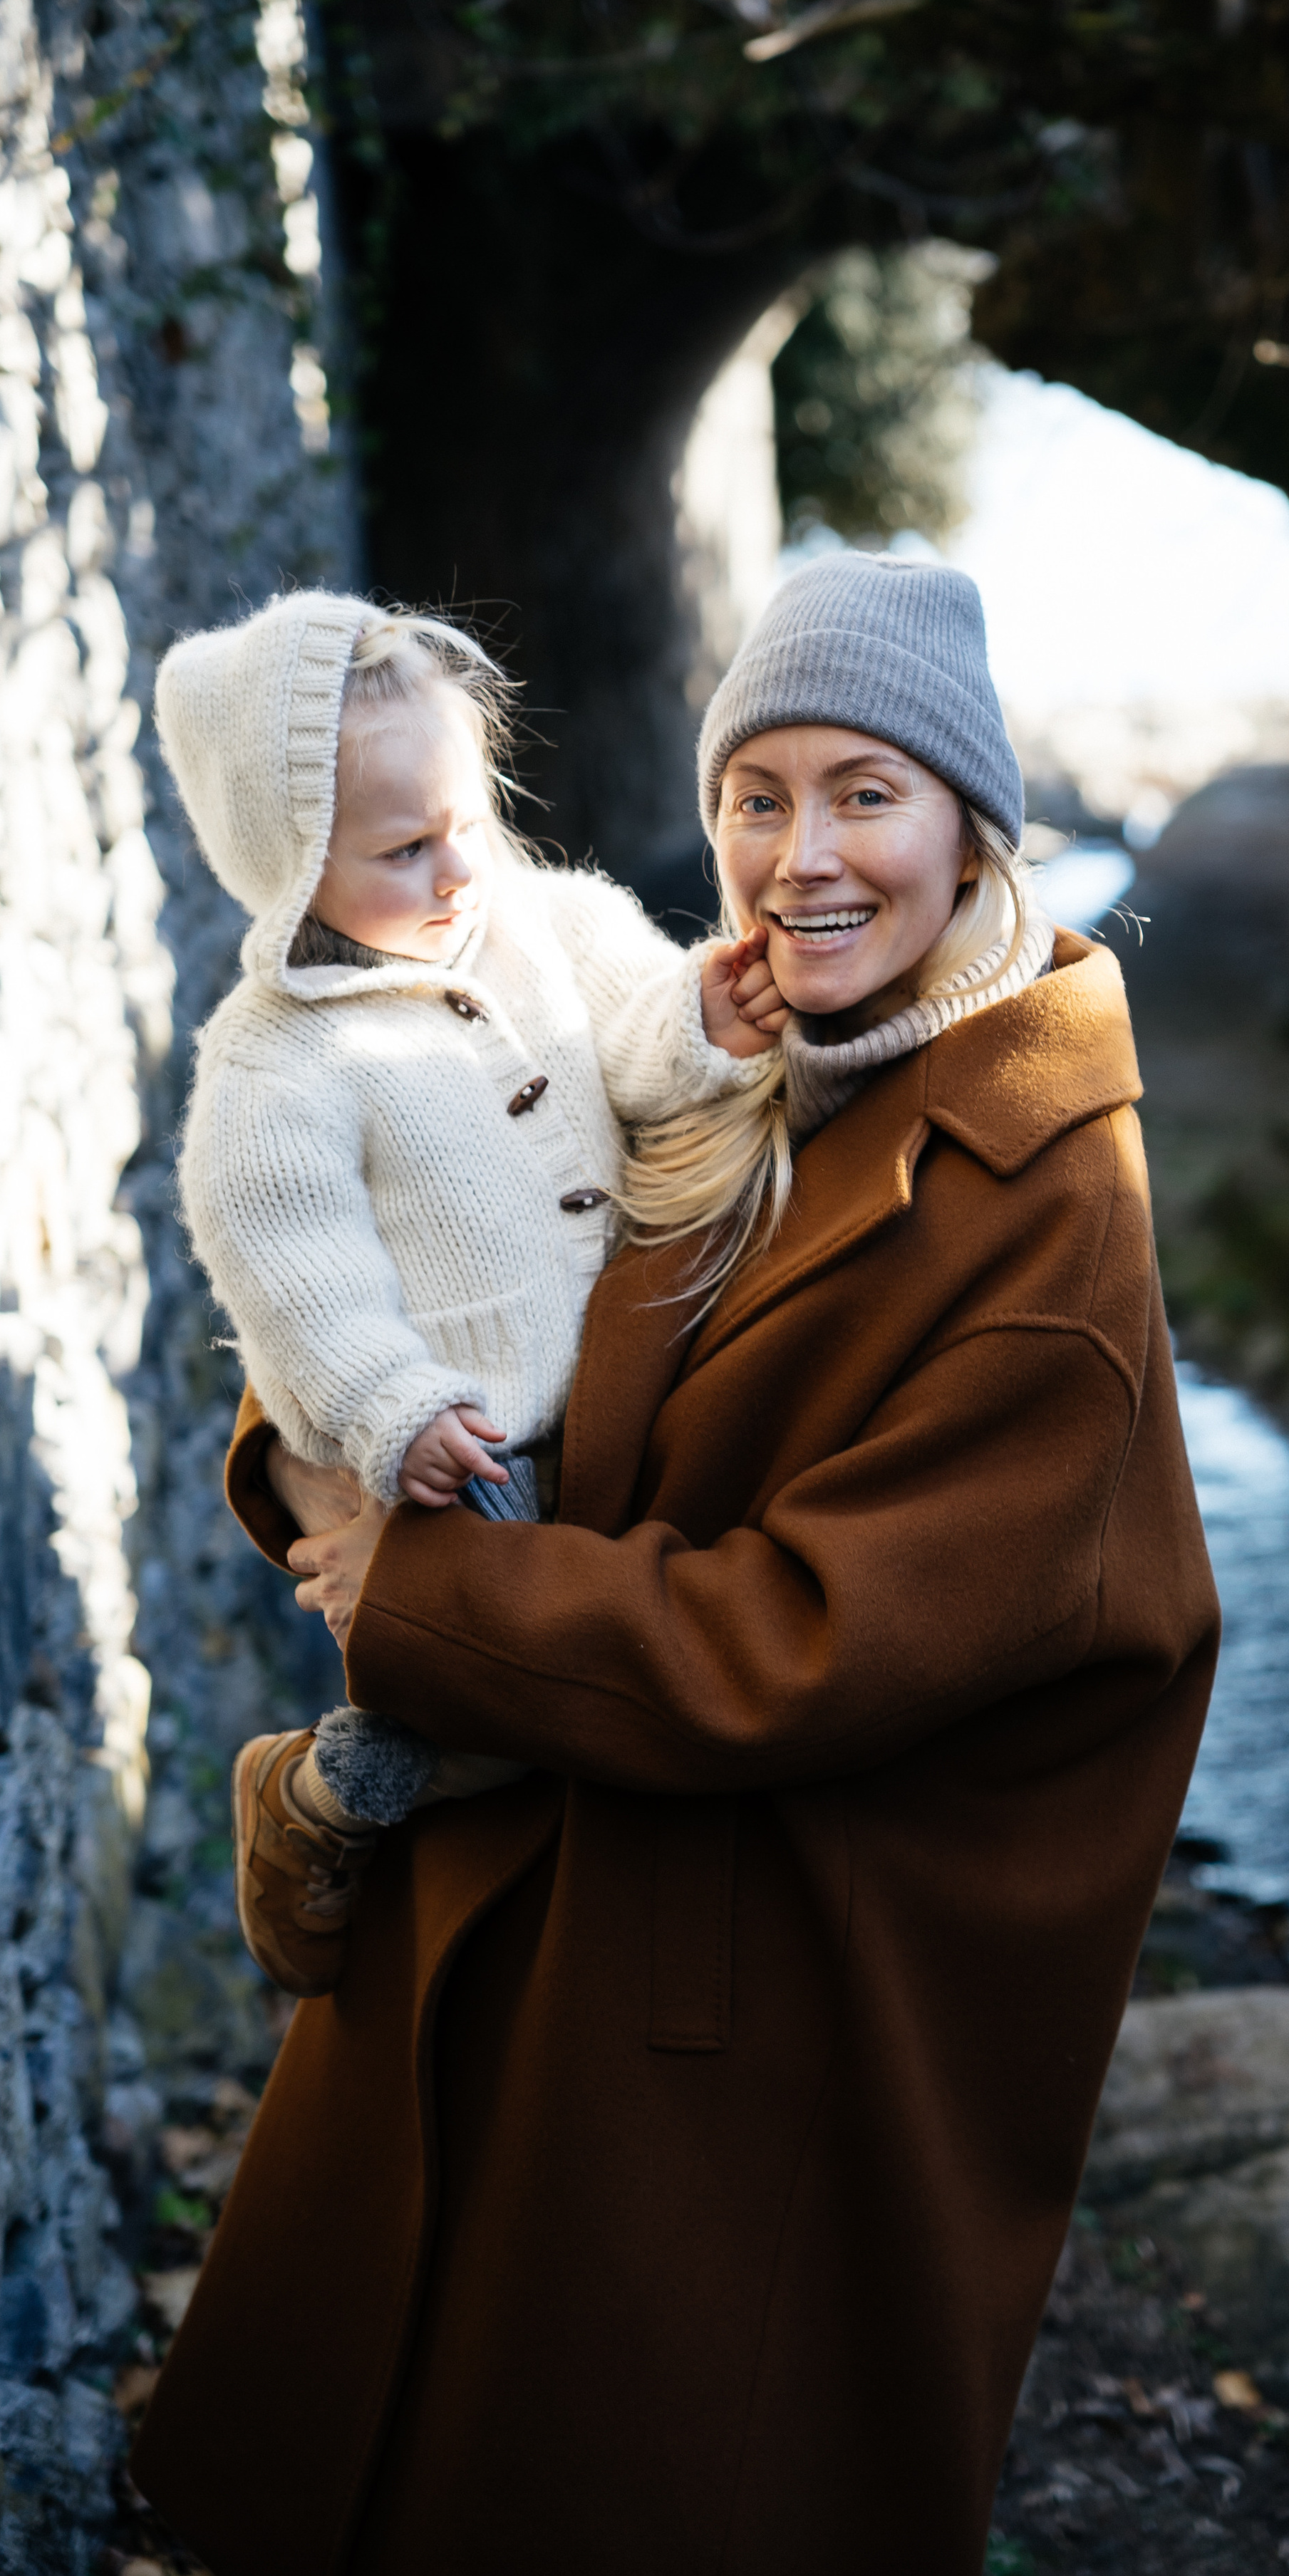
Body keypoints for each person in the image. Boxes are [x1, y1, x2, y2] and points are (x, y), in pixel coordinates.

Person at [134, 553, 1220, 2576]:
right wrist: (312, 1464)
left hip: (756, 2013)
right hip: (569, 1890)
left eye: (867, 795)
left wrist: (423, 1590)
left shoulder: (1043, 1214)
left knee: (644, 2549)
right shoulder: (741, 1068)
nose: (799, 859)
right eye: (758, 794)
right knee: (438, 2522)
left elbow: (794, 1641)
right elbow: (460, 1302)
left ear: (975, 826)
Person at [159, 591, 782, 1993]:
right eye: (399, 849)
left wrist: (703, 1019)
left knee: (616, 1660)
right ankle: (321, 1802)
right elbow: (295, 1269)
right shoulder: (275, 1068)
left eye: (467, 823)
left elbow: (633, 1030)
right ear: (289, 866)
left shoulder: (551, 919)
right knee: (513, 1687)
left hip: (623, 1402)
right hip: (462, 1446)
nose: (455, 871)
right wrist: (393, 1407)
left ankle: (402, 1787)